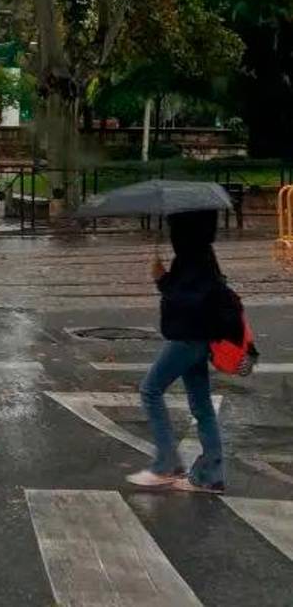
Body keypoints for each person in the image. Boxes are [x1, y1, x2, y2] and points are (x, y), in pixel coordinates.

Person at [127, 210, 226, 494]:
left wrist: (161, 278)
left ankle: (166, 464)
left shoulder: (192, 257)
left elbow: (186, 300)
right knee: (202, 405)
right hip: (199, 336)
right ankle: (211, 475)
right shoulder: (202, 253)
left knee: (150, 390)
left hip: (187, 337)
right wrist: (167, 277)